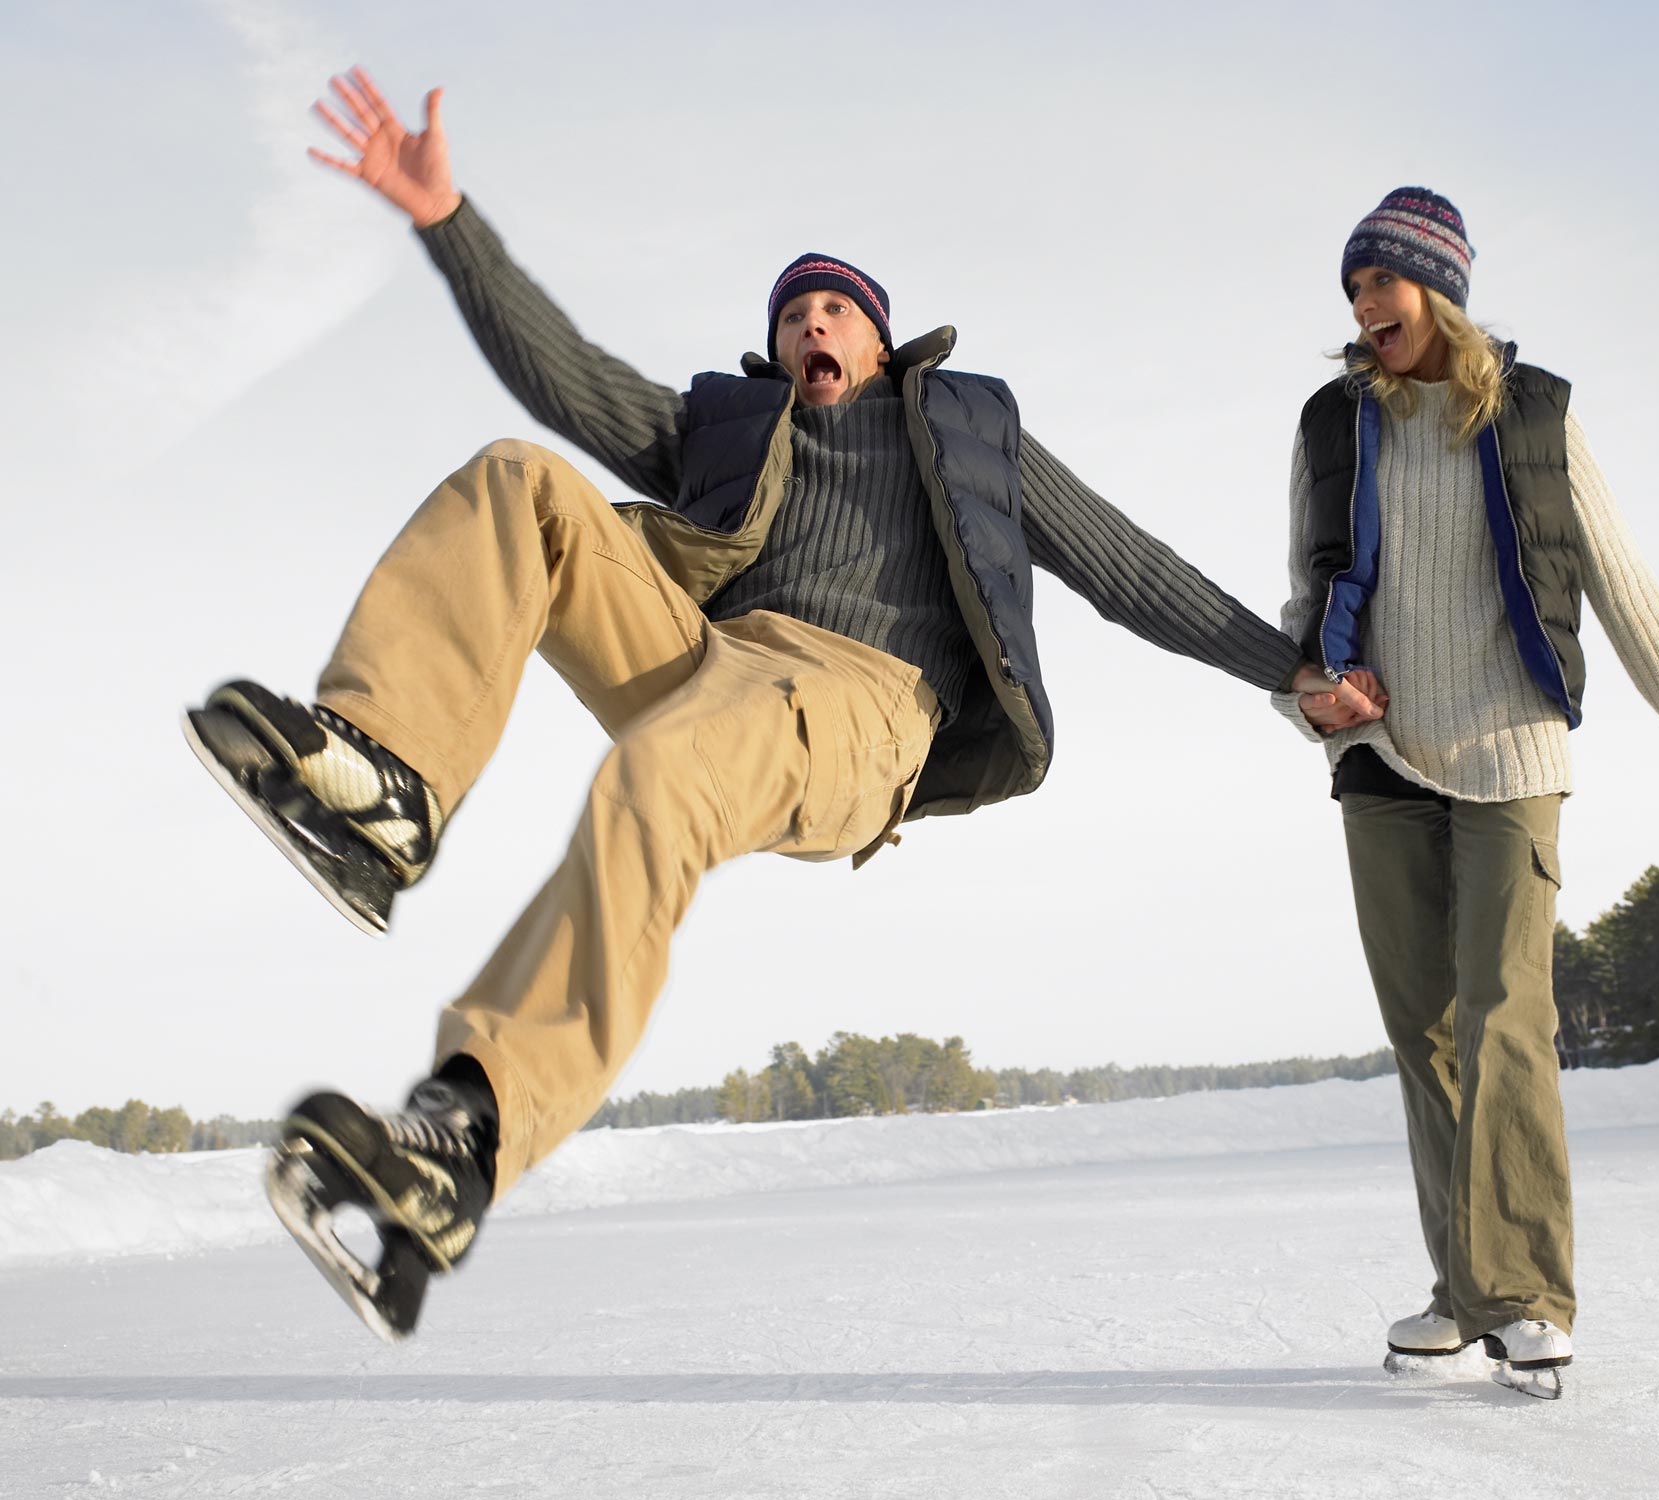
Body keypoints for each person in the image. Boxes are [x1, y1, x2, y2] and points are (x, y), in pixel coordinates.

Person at [182, 68, 1338, 1342]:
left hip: (859, 702)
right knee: (522, 481)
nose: (811, 329)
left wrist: (1284, 669)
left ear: (879, 338)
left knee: (654, 779)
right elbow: (565, 377)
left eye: (835, 310)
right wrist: (449, 220)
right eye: (793, 316)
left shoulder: (965, 438)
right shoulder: (730, 428)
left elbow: (1126, 569)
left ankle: (471, 1131)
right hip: (702, 656)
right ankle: (384, 784)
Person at [1274, 188, 1659, 1399]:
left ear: (1438, 286)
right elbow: (1304, 595)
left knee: (1505, 1019)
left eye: (1381, 280)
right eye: (1351, 288)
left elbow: (1614, 569)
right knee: (1422, 1033)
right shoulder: (1334, 423)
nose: (1364, 304)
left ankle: (1529, 1294)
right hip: (1379, 761)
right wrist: (1310, 696)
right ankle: (1462, 1294)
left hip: (1508, 752)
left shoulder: (1533, 414)